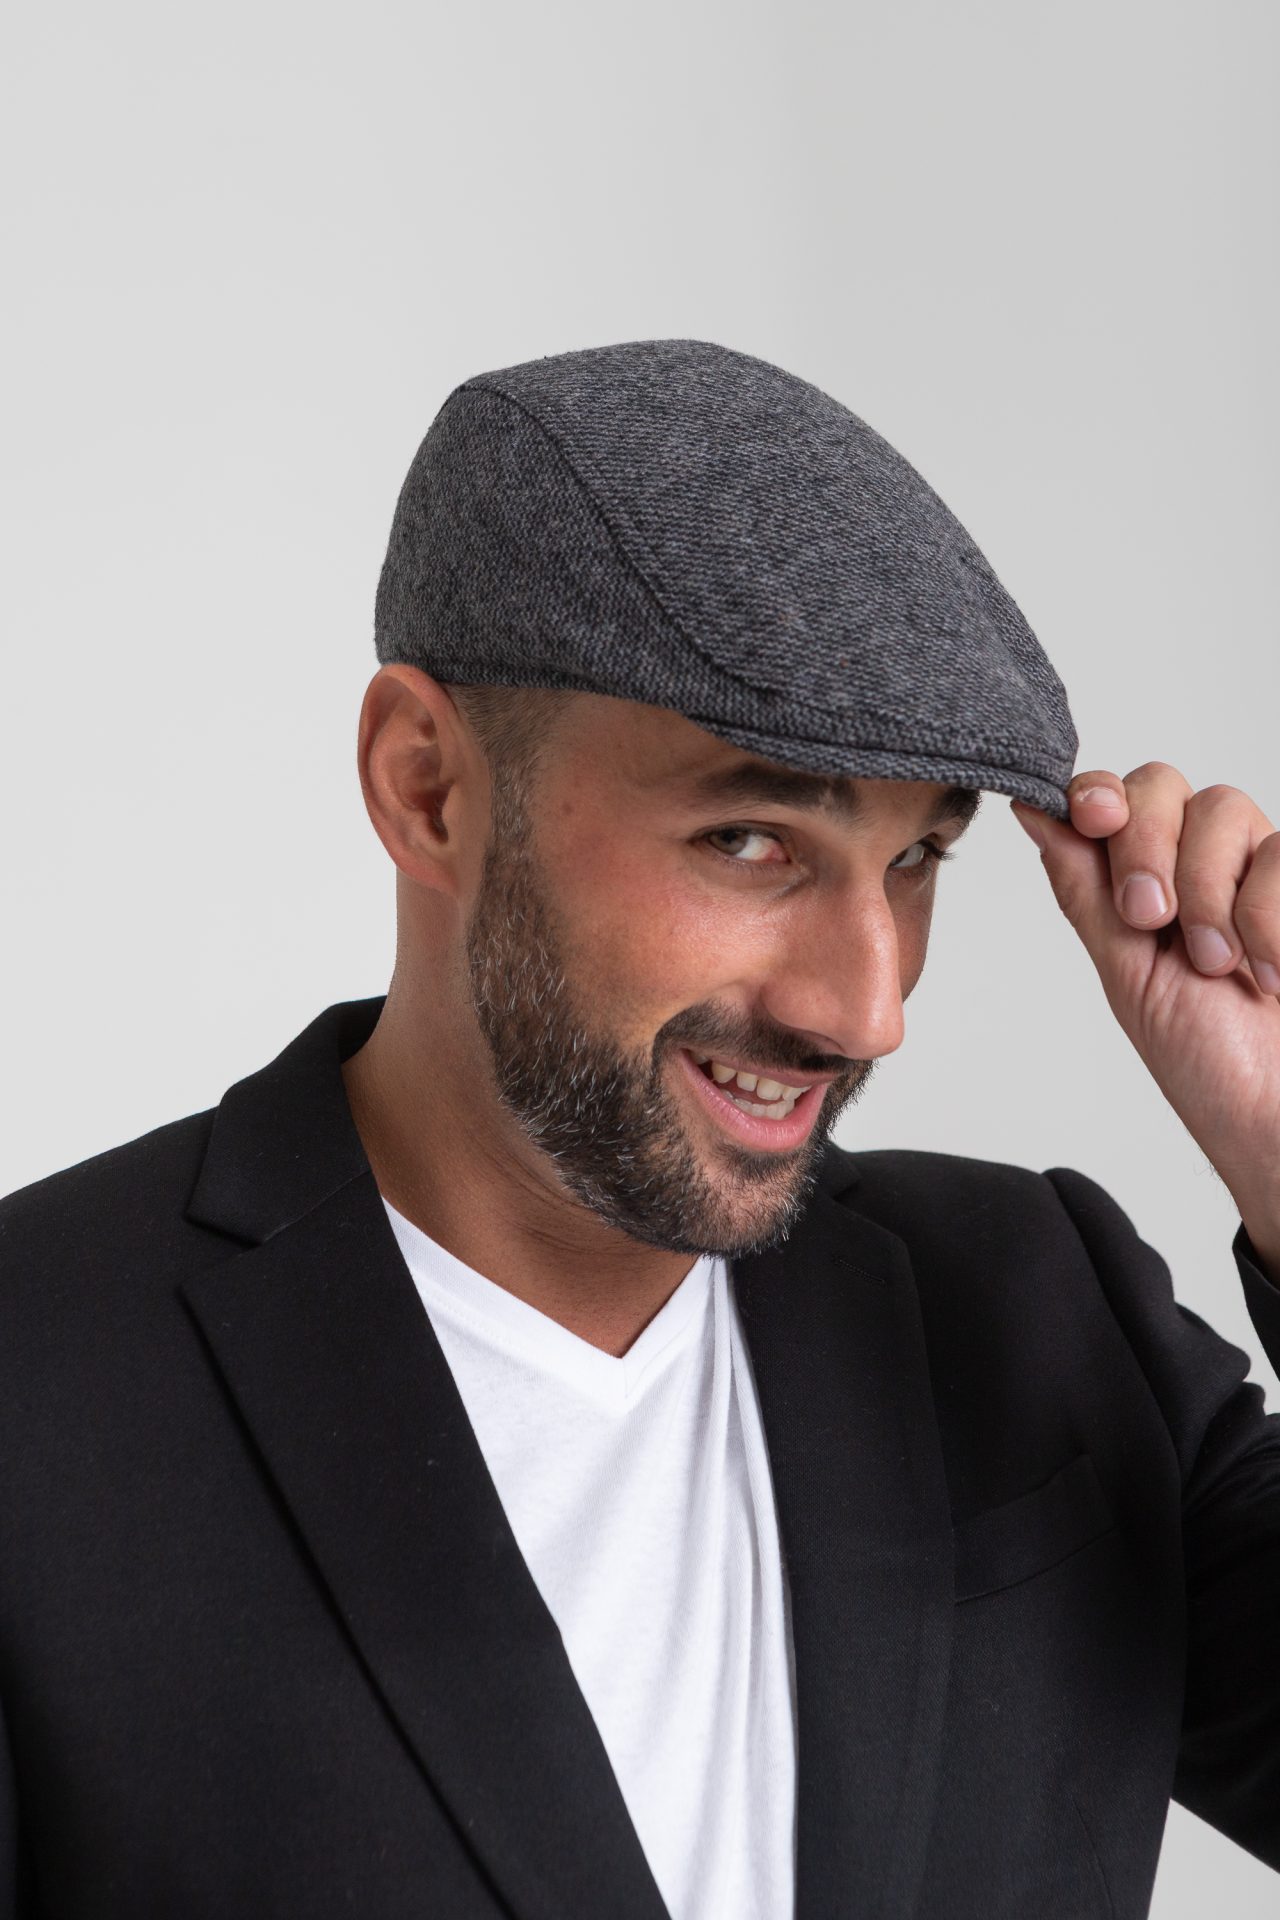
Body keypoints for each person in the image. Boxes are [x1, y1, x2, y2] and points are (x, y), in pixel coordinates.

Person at [1, 339, 1277, 1920]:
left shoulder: (1033, 1305)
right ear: (428, 788)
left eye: (916, 862)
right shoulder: (41, 1385)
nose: (868, 1009)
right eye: (751, 840)